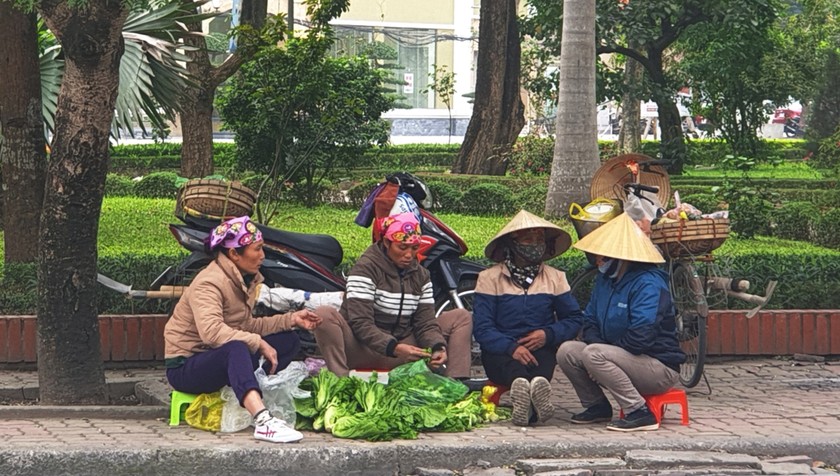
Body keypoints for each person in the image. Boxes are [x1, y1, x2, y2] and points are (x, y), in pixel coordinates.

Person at [164, 215, 322, 443]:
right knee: (236, 348)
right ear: (234, 253)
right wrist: (257, 342)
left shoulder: (242, 280)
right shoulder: (209, 283)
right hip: (186, 365)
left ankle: (252, 393)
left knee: (288, 341)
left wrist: (292, 320)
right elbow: (212, 332)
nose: (262, 256)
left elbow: (247, 326)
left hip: (218, 356)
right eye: (257, 249)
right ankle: (263, 420)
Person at [556, 213, 686, 432]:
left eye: (603, 255)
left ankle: (639, 412)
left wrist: (601, 356)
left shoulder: (649, 283)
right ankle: (596, 406)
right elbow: (588, 321)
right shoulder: (605, 280)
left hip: (657, 366)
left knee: (593, 354)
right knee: (567, 351)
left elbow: (641, 337)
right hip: (614, 356)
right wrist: (597, 355)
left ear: (621, 256)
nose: (598, 260)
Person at [313, 212, 472, 378]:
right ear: (387, 242)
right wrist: (393, 348)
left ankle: (456, 386)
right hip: (363, 349)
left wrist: (436, 346)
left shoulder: (421, 275)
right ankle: (340, 381)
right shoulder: (365, 269)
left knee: (461, 317)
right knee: (323, 315)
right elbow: (360, 323)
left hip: (404, 349)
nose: (409, 255)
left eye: (414, 248)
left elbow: (425, 322)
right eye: (402, 247)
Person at [472, 210, 583, 426]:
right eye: (528, 239)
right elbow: (483, 328)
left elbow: (573, 319)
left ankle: (533, 395)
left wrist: (547, 334)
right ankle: (523, 392)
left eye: (539, 239)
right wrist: (511, 348)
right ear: (512, 244)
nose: (535, 244)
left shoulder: (555, 278)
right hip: (501, 351)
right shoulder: (489, 278)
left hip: (541, 348)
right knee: (515, 370)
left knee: (540, 369)